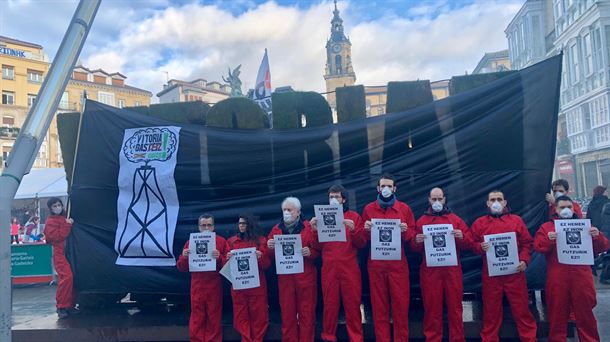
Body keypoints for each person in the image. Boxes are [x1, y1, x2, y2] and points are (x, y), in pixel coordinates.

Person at [534, 196, 609, 342]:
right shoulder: (547, 228)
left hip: (581, 277)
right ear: (555, 209)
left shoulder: (585, 226)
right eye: (562, 207)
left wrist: (597, 236)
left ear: (574, 208)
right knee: (557, 317)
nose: (566, 210)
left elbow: (603, 247)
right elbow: (538, 246)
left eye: (569, 206)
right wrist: (549, 239)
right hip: (558, 277)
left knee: (585, 316)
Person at [470, 190, 537, 342]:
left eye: (499, 199)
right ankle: (489, 339)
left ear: (505, 202)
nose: (496, 202)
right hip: (491, 274)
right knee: (491, 313)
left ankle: (529, 339)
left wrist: (524, 260)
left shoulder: (516, 221)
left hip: (515, 273)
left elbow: (527, 243)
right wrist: (480, 246)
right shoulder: (479, 223)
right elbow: (471, 243)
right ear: (487, 203)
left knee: (522, 311)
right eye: (492, 199)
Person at [411, 187, 470, 342]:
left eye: (439, 199)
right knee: (432, 309)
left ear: (444, 199)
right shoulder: (421, 221)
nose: (437, 202)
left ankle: (457, 339)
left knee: (455, 309)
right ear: (429, 200)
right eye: (434, 199)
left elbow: (469, 243)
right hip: (430, 272)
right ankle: (432, 339)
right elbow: (413, 248)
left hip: (452, 271)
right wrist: (416, 241)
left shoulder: (455, 219)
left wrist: (462, 236)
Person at [362, 174, 416, 342]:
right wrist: (365, 229)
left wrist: (406, 230)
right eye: (383, 186)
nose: (386, 189)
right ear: (378, 188)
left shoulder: (404, 209)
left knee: (401, 307)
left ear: (394, 188)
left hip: (398, 264)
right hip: (376, 265)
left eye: (389, 186)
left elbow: (412, 238)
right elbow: (363, 240)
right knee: (379, 309)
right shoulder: (368, 209)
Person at [310, 185, 366, 342]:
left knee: (353, 306)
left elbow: (362, 243)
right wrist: (314, 230)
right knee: (330, 305)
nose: (333, 200)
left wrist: (354, 229)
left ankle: (356, 339)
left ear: (344, 199)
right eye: (331, 197)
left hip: (350, 267)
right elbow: (316, 247)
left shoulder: (353, 217)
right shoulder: (321, 217)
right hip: (329, 268)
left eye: (337, 197)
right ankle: (328, 337)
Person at [267, 197, 319, 342]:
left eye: (290, 210)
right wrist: (269, 247)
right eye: (284, 210)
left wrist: (311, 253)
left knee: (307, 315)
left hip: (305, 277)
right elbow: (270, 257)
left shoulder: (309, 227)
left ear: (298, 212)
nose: (286, 213)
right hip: (286, 279)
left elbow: (318, 249)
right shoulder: (276, 229)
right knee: (287, 315)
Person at [176, 214, 230, 342]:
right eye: (203, 225)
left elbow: (229, 267)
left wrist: (220, 258)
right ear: (199, 227)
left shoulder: (221, 242)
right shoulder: (190, 242)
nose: (206, 228)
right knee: (197, 317)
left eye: (209, 225)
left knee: (214, 317)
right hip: (197, 285)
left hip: (214, 285)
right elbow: (181, 267)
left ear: (213, 226)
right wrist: (184, 257)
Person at [226, 214, 270, 342]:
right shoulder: (231, 242)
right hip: (239, 288)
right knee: (241, 319)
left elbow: (267, 265)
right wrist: (227, 259)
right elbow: (224, 266)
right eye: (239, 223)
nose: (241, 226)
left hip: (257, 287)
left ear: (250, 225)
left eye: (243, 223)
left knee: (260, 319)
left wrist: (260, 257)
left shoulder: (261, 241)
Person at [43, 197, 77, 319]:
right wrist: (67, 225)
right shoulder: (51, 222)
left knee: (70, 278)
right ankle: (62, 306)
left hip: (68, 253)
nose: (57, 207)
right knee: (67, 278)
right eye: (54, 206)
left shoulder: (63, 219)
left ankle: (69, 305)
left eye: (59, 205)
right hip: (60, 254)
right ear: (50, 208)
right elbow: (58, 237)